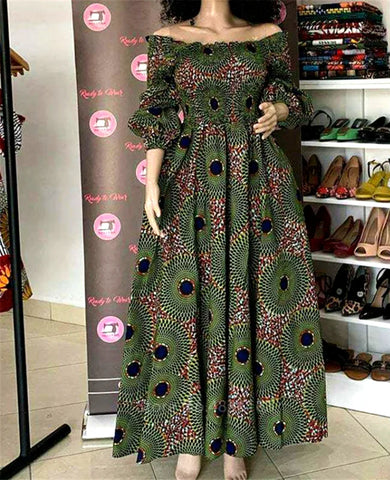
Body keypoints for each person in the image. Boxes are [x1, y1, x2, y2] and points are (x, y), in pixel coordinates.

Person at [112, 1, 327, 479]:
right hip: (191, 181)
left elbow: (294, 99)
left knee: (254, 300)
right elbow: (158, 114)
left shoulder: (266, 34)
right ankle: (190, 436)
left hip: (257, 179)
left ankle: (237, 440)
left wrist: (279, 110)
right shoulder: (169, 39)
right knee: (189, 302)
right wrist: (151, 183)